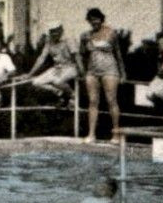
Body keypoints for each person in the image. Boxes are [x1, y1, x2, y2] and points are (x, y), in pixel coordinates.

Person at [79, 8, 126, 144]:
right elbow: (83, 54)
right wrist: (83, 70)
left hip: (109, 70)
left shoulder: (110, 33)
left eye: (97, 18)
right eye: (92, 19)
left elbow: (118, 54)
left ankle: (116, 134)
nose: (94, 22)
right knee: (93, 101)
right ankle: (91, 134)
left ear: (101, 19)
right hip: (92, 71)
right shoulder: (86, 35)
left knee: (111, 100)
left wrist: (123, 73)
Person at [27, 23, 79, 106]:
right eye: (52, 31)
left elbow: (76, 56)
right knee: (36, 82)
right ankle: (59, 93)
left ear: (61, 30)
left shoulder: (69, 39)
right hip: (56, 68)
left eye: (56, 31)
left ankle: (73, 96)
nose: (54, 34)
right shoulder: (49, 42)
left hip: (70, 67)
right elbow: (41, 58)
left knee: (57, 81)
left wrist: (82, 71)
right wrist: (30, 74)